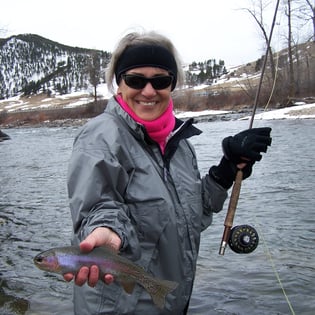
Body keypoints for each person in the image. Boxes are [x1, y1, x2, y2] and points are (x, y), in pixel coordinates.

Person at [64, 30, 272, 314]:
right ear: (118, 84)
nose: (148, 91)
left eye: (160, 80)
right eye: (135, 80)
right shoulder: (100, 138)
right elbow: (98, 205)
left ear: (172, 84)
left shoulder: (179, 143)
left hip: (170, 301)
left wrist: (224, 173)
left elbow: (190, 216)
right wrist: (106, 231)